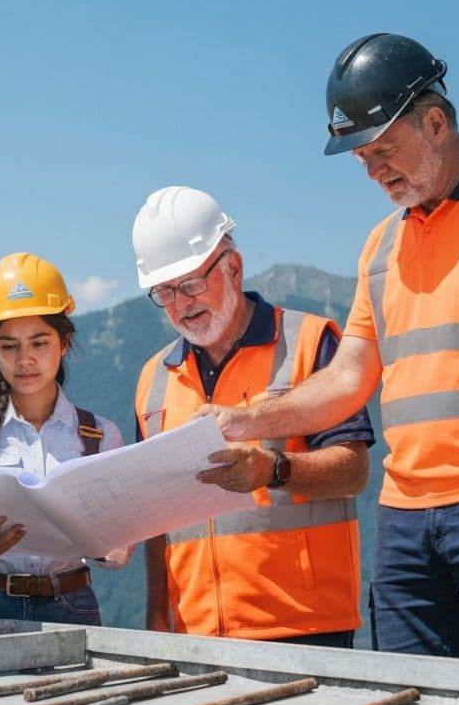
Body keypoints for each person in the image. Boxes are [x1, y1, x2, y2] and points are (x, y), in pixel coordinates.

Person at [219, 32, 459, 663]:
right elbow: (346, 382)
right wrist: (244, 418)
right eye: (360, 157)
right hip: (405, 518)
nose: (373, 170)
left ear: (437, 121)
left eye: (384, 148)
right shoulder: (379, 249)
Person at [133, 186, 373, 646]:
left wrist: (274, 470)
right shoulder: (152, 379)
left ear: (234, 268)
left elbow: (354, 470)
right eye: (165, 292)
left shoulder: (309, 341)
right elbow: (155, 520)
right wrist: (157, 622)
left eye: (191, 284)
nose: (182, 304)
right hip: (194, 636)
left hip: (305, 628)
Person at [0, 252, 133, 624]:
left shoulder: (101, 435)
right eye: (9, 346)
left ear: (64, 341)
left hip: (69, 607)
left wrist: (99, 542)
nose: (24, 360)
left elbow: (118, 555)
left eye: (39, 343)